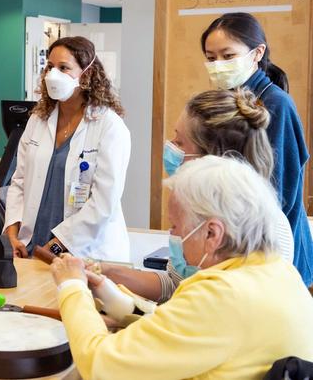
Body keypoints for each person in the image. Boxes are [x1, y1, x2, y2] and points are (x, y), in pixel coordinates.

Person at [51, 156, 313, 380]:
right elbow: (185, 326)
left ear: (212, 233)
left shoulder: (222, 296)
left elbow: (100, 364)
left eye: (176, 226)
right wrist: (115, 300)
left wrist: (72, 287)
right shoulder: (278, 272)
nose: (172, 234)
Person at [101, 88, 294, 302]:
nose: (170, 147)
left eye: (180, 142)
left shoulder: (268, 230)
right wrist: (105, 273)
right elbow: (175, 285)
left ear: (213, 158)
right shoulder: (194, 212)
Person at [202, 12, 312, 285]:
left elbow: (280, 192)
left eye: (228, 56)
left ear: (257, 53)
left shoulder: (276, 104)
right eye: (211, 57)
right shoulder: (226, 101)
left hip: (272, 247)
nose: (218, 65)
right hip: (238, 241)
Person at [4, 36, 131, 262]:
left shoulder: (109, 126)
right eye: (50, 67)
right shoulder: (38, 120)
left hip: (84, 252)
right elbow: (20, 180)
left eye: (64, 68)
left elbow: (104, 201)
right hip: (33, 246)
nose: (54, 74)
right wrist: (12, 234)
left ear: (87, 74)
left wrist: (57, 245)